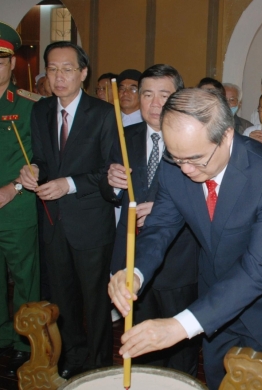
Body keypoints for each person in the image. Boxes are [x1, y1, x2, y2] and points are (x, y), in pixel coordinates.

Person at [108, 88, 262, 390]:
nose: (184, 169)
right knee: (215, 380)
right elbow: (160, 227)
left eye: (196, 159)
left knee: (249, 383)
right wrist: (135, 272)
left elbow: (259, 269)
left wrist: (178, 326)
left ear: (226, 136)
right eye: (177, 157)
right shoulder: (176, 164)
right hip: (214, 297)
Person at [19, 41, 116, 379]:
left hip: (90, 220)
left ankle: (100, 364)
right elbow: (45, 160)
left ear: (83, 73)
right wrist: (33, 170)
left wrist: (69, 183)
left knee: (95, 301)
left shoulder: (103, 113)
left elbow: (109, 171)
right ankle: (72, 355)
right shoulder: (41, 110)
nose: (59, 77)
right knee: (62, 298)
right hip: (53, 220)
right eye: (53, 69)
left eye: (68, 69)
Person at [100, 64, 200, 375]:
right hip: (131, 255)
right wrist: (111, 182)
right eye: (147, 95)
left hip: (178, 260)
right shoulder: (123, 134)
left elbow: (205, 197)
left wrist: (165, 207)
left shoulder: (193, 138)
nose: (155, 104)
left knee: (180, 351)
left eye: (164, 95)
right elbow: (106, 189)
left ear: (178, 98)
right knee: (140, 345)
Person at [0, 21, 41, 378]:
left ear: (12, 63)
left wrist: (13, 186)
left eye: (0, 60)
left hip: (16, 205)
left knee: (24, 276)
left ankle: (22, 342)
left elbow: (42, 156)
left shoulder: (29, 106)